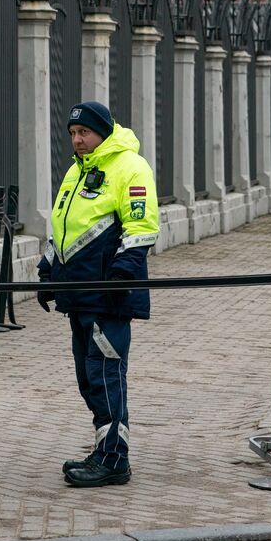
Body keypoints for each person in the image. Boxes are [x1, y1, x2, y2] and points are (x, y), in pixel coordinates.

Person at [37, 101, 158, 488]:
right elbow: (64, 226)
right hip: (79, 292)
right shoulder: (78, 170)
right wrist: (47, 270)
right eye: (72, 134)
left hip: (108, 295)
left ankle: (113, 460)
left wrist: (121, 275)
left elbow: (141, 225)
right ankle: (104, 449)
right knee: (88, 378)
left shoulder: (130, 167)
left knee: (105, 375)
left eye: (84, 133)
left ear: (103, 131)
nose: (77, 140)